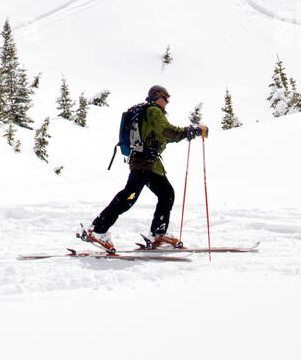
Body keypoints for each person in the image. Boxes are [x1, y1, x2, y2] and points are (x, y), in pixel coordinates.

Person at [81, 85, 208, 251]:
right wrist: (191, 131)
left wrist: (188, 133)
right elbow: (169, 131)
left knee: (166, 194)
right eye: (166, 98)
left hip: (150, 164)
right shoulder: (154, 111)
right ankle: (97, 230)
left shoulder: (149, 113)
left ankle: (158, 233)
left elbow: (163, 137)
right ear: (157, 97)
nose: (168, 102)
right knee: (129, 196)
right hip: (143, 163)